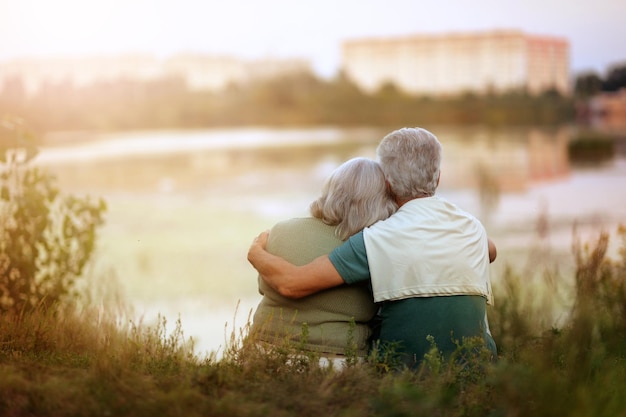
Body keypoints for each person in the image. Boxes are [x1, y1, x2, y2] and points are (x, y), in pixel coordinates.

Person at [248, 127, 498, 368]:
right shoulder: (473, 228)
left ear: (387, 183)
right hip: (480, 369)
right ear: (439, 176)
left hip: (406, 376)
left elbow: (293, 283)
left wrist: (256, 252)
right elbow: (491, 251)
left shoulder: (377, 238)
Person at [250, 157, 397, 365]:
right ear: (381, 201)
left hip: (262, 351)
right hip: (334, 361)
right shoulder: (370, 247)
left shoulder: (280, 230)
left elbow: (264, 286)